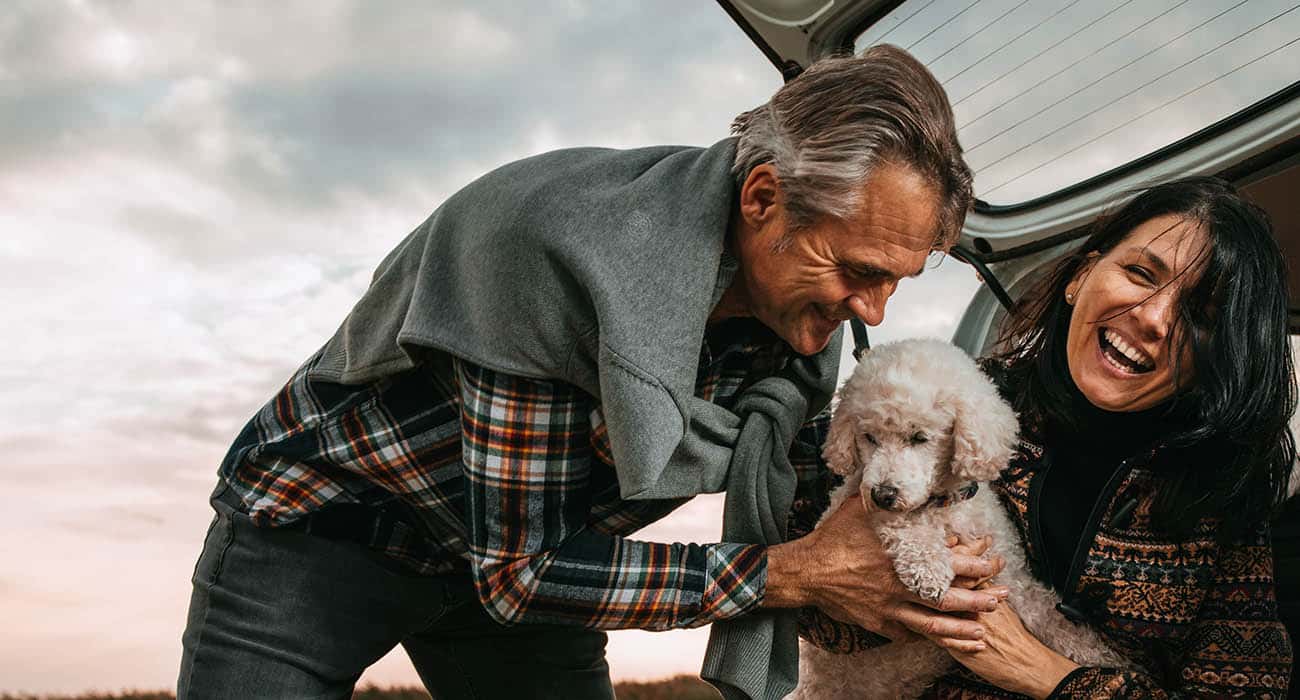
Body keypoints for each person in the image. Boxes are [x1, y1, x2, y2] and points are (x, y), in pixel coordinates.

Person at [176, 45, 1004, 700]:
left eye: (897, 279)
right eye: (858, 269)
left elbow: (812, 490)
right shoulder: (546, 253)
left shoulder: (798, 317)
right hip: (326, 532)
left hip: (542, 563)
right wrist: (791, 574)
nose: (874, 312)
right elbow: (520, 573)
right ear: (761, 199)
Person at [797, 176, 1297, 698]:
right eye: (1141, 273)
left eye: (1200, 314)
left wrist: (1045, 673)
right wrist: (853, 584)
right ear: (1081, 276)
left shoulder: (1224, 493)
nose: (1152, 318)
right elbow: (807, 607)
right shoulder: (941, 399)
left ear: (1220, 354)